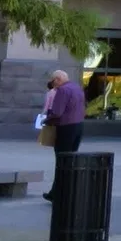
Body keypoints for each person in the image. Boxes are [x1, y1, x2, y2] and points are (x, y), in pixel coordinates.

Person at [43, 69, 86, 202]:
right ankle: (62, 192)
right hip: (78, 126)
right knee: (70, 161)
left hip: (65, 128)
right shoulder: (77, 87)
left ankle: (59, 194)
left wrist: (46, 120)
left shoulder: (62, 90)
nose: (53, 85)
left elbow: (57, 112)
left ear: (57, 79)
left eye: (53, 81)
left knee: (62, 161)